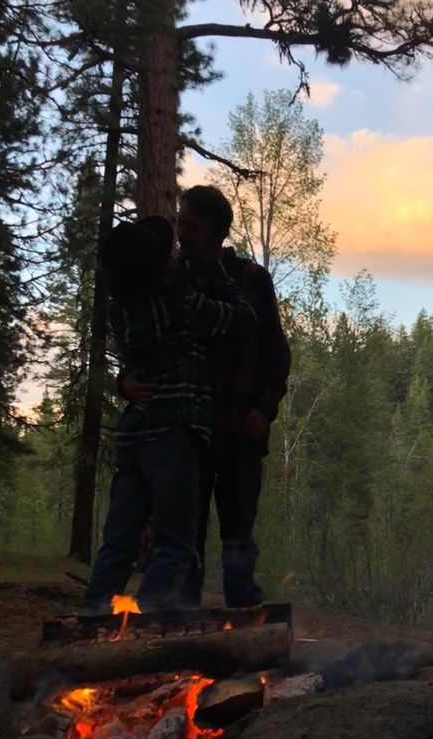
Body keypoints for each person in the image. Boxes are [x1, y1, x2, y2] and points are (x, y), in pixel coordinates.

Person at [122, 185, 291, 608]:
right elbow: (142, 340)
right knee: (182, 534)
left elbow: (276, 351)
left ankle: (244, 622)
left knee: (238, 531)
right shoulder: (168, 277)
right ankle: (180, 624)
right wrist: (123, 381)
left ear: (216, 232)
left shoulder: (250, 280)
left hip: (239, 430)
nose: (181, 234)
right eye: (180, 223)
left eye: (191, 226)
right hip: (182, 435)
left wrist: (264, 408)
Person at [83, 217, 256, 614]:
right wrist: (216, 274)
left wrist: (122, 380)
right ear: (158, 268)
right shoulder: (182, 305)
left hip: (133, 435)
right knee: (177, 542)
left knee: (119, 540)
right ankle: (142, 625)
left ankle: (91, 619)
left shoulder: (122, 310)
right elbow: (241, 318)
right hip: (174, 434)